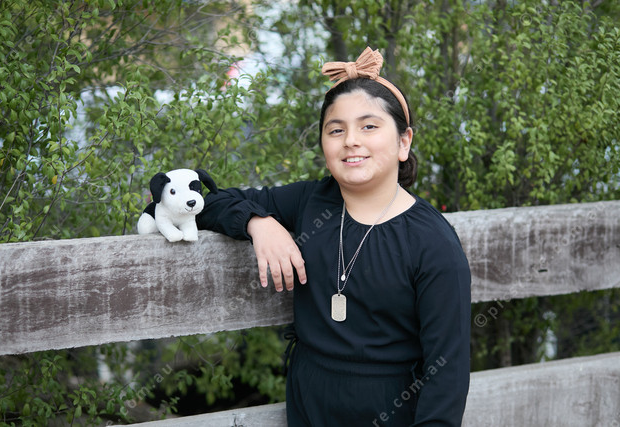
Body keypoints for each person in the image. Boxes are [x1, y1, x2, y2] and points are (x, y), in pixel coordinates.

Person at [197, 47, 471, 426]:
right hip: (309, 408)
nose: (350, 140)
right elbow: (207, 203)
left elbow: (448, 372)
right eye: (336, 129)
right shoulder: (311, 201)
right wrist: (258, 222)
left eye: (369, 126)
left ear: (404, 142)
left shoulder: (433, 243)